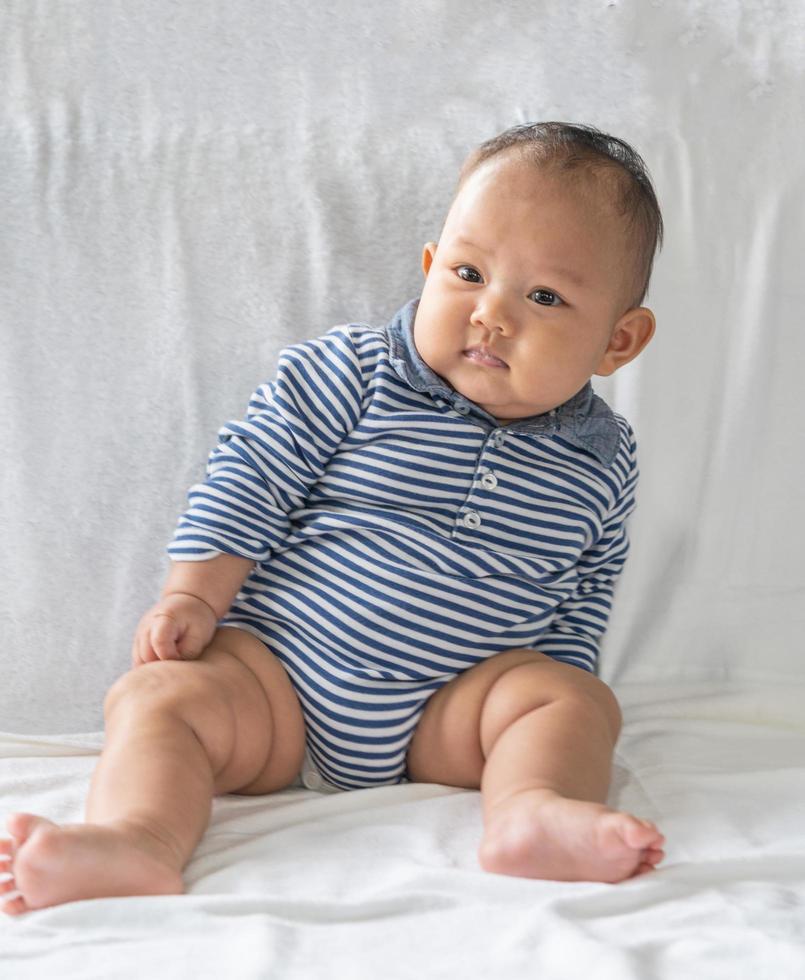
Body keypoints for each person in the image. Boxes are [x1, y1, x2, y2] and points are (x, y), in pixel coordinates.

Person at [1, 121, 666, 914]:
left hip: (445, 714)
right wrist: (193, 597)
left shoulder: (603, 456)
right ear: (428, 268)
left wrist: (558, 686)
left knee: (575, 704)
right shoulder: (351, 372)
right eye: (467, 272)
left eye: (545, 297)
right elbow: (249, 476)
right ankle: (135, 838)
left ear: (618, 341)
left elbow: (585, 583)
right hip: (275, 683)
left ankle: (530, 810)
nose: (490, 315)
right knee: (156, 700)